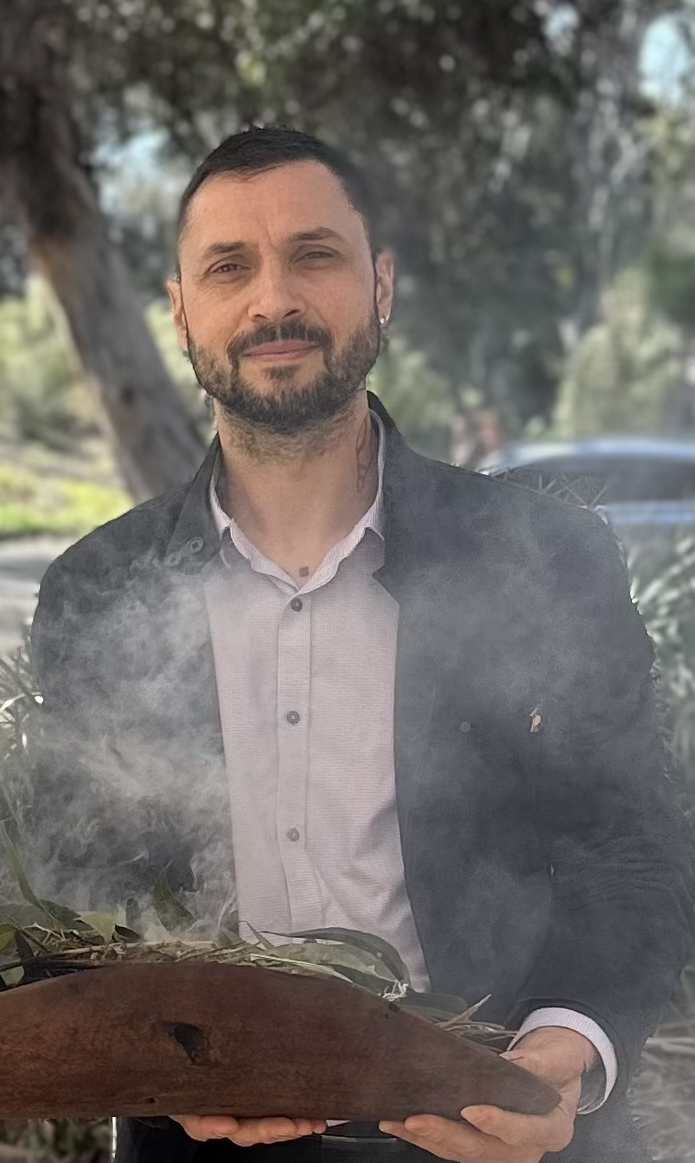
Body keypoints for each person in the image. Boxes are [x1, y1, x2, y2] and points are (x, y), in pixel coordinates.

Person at [30, 127, 692, 1163]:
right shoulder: (95, 589)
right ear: (180, 312)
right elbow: (87, 885)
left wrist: (562, 1043)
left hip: (487, 1122)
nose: (272, 299)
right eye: (228, 266)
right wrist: (154, 1058)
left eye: (315, 255)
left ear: (379, 284)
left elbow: (628, 842)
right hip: (196, 1135)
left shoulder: (541, 554)